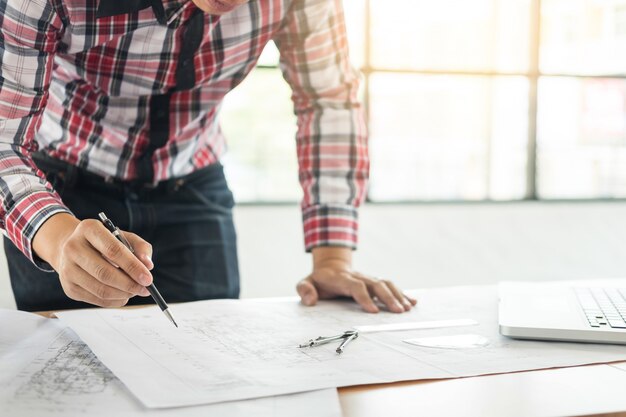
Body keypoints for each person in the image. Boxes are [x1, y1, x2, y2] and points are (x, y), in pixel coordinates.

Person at [0, 0, 416, 313]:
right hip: (58, 193)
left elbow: (328, 103)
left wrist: (333, 258)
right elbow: (4, 141)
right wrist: (55, 240)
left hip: (193, 183)